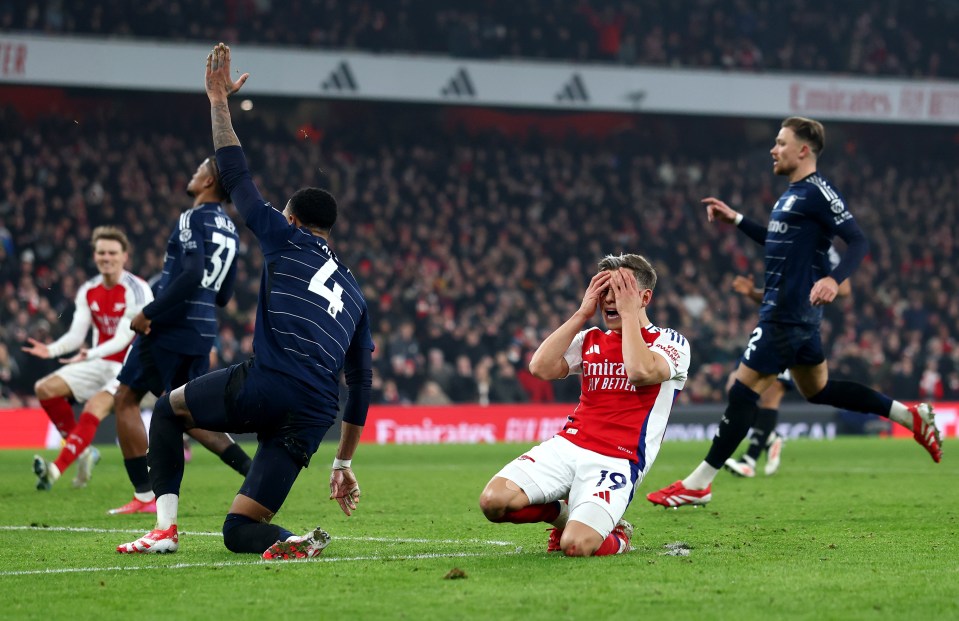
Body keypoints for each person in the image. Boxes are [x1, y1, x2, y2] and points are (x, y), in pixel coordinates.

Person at [117, 42, 373, 559]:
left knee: (167, 411)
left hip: (274, 383)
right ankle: (292, 542)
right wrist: (343, 463)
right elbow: (360, 382)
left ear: (295, 220)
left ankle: (163, 531)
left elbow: (235, 176)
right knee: (240, 531)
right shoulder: (355, 293)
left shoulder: (286, 236)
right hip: (315, 412)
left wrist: (217, 102)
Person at [647, 117, 942, 509]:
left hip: (786, 316)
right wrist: (735, 219)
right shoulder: (791, 195)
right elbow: (775, 239)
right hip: (794, 316)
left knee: (742, 388)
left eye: (781, 142)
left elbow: (857, 240)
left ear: (804, 150)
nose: (774, 149)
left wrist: (835, 280)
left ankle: (699, 482)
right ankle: (910, 417)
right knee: (818, 389)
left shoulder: (819, 192)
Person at [479, 254, 690, 556]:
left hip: (618, 459)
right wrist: (581, 313)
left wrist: (629, 317)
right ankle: (559, 515)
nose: (609, 298)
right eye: (604, 290)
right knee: (494, 502)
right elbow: (540, 367)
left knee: (576, 546)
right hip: (569, 445)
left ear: (644, 297)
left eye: (619, 289)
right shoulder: (590, 338)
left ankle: (618, 535)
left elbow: (640, 371)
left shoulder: (670, 342)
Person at [108, 142, 253, 515]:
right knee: (184, 410)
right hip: (204, 329)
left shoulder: (192, 219)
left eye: (197, 170)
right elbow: (224, 295)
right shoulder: (231, 229)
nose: (191, 174)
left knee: (125, 399)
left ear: (207, 181)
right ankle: (251, 470)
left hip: (170, 328)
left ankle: (143, 495)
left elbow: (189, 275)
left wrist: (149, 312)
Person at [25, 226, 153, 490]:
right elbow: (75, 334)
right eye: (102, 252)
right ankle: (83, 451)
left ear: (124, 256)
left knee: (93, 407)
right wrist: (50, 350)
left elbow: (124, 337)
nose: (107, 257)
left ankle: (54, 471)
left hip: (130, 365)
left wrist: (90, 352)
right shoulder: (88, 290)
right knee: (44, 388)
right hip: (99, 362)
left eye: (113, 253)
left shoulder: (137, 289)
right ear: (95, 256)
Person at [724, 252, 852, 478]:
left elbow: (844, 288)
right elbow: (775, 297)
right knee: (733, 388)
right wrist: (752, 293)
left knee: (771, 393)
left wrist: (824, 283)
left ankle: (750, 459)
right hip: (768, 329)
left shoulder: (819, 246)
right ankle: (770, 437)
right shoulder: (785, 247)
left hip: (794, 334)